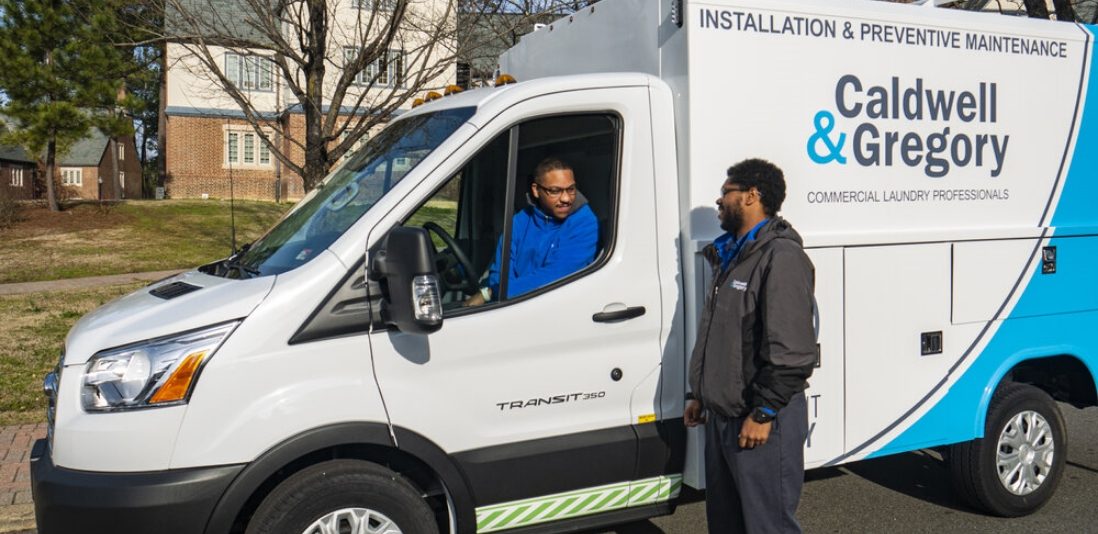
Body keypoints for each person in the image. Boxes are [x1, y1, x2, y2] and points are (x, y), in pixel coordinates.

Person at [684, 158, 816, 534]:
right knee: (726, 524)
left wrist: (764, 412)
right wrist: (700, 392)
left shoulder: (781, 256)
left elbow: (791, 349)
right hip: (724, 416)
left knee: (767, 526)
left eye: (726, 192)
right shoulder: (729, 254)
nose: (719, 200)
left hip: (759, 420)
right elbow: (718, 334)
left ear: (752, 196)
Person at [466, 157, 598, 305]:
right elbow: (500, 273)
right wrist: (499, 293)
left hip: (559, 308)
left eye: (571, 189)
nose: (566, 198)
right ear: (536, 190)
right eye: (555, 191)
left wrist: (490, 292)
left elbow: (556, 276)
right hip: (513, 307)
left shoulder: (584, 222)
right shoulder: (520, 220)